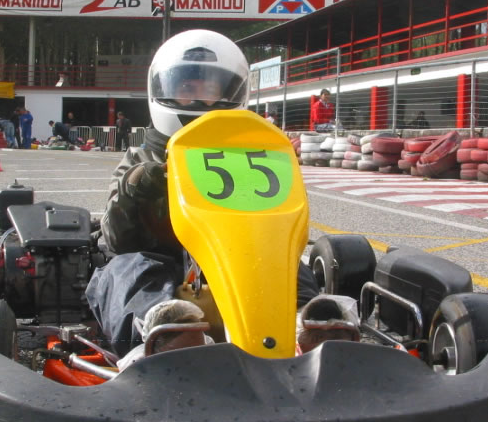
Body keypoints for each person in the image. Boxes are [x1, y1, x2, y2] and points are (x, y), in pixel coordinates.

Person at [85, 30, 325, 365]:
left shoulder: (252, 155)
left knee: (285, 263)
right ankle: (161, 338)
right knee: (124, 270)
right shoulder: (140, 160)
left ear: (232, 92)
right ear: (163, 89)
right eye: (187, 89)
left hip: (236, 263)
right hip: (162, 267)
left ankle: (304, 327)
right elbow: (116, 242)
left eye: (210, 89)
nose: (199, 100)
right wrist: (135, 188)